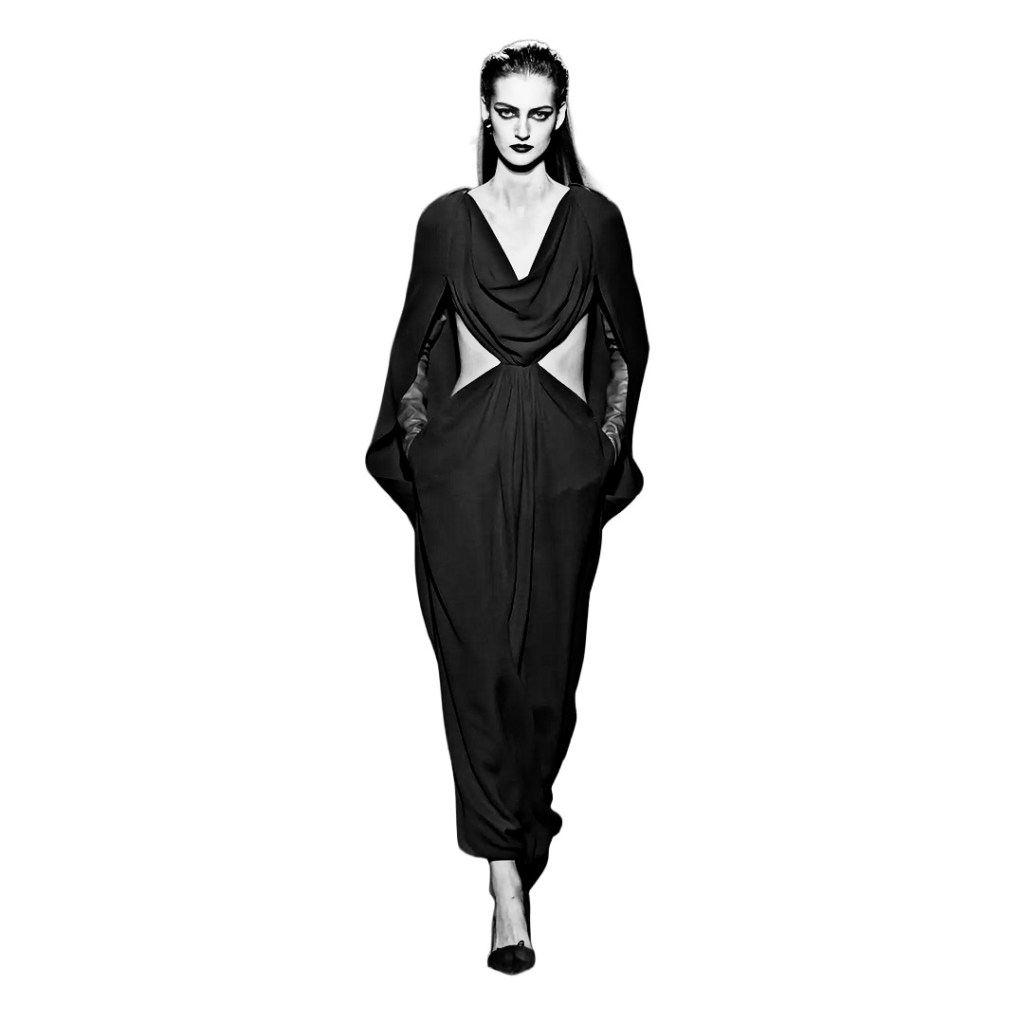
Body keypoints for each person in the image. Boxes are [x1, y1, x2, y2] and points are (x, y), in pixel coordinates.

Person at [365, 39, 650, 974]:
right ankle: (504, 887)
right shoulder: (445, 222)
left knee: (545, 683)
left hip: (560, 470)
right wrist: (426, 453)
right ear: (485, 115)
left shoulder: (595, 221)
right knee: (477, 666)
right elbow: (415, 350)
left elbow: (626, 346)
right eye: (506, 111)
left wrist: (599, 451)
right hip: (466, 471)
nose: (521, 129)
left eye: (537, 112)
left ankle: (526, 817)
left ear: (558, 117)